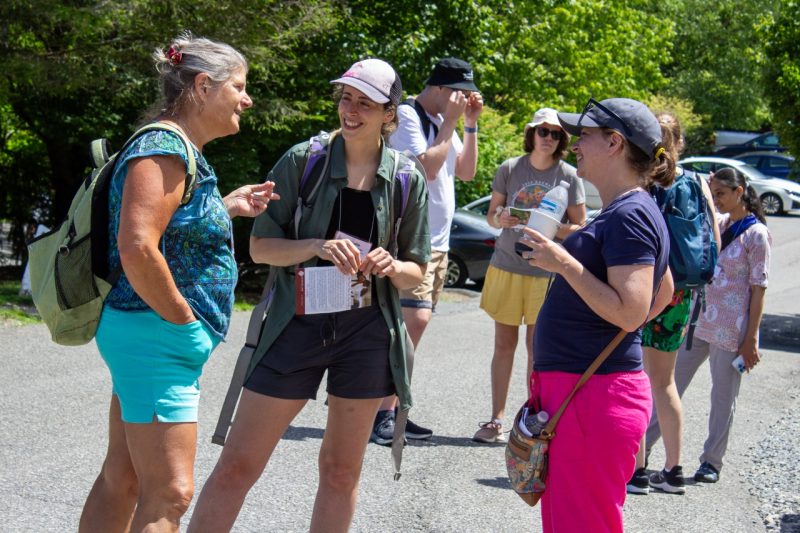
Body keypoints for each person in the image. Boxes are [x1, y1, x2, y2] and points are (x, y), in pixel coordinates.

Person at [188, 59, 430, 533]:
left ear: (389, 114)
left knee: (341, 472)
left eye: (366, 102)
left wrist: (391, 265)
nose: (351, 109)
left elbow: (415, 272)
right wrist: (316, 246)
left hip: (366, 333)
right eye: (346, 98)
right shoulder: (305, 160)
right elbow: (260, 247)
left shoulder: (407, 179)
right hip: (294, 325)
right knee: (238, 465)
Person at [79, 33, 278, 532]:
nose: (247, 99)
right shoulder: (164, 146)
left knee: (123, 477)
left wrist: (226, 206)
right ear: (204, 86)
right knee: (170, 494)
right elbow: (138, 246)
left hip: (150, 334)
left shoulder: (174, 147)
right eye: (239, 86)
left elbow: (168, 228)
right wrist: (183, 322)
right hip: (157, 336)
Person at [518, 98, 674, 532]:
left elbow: (632, 310)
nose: (574, 143)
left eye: (584, 134)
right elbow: (665, 289)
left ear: (614, 143)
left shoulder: (629, 214)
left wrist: (563, 262)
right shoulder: (630, 209)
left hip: (594, 397)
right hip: (588, 392)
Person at [371, 57, 483, 444]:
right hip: (413, 240)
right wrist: (451, 122)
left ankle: (393, 408)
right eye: (459, 93)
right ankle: (379, 413)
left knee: (414, 327)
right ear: (439, 89)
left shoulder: (439, 124)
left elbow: (465, 172)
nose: (463, 99)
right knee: (410, 324)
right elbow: (425, 170)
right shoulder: (408, 115)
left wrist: (469, 125)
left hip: (439, 242)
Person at [645, 166, 770, 485]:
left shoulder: (757, 234)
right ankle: (642, 449)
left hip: (732, 328)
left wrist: (751, 337)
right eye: (712, 195)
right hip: (698, 320)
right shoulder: (721, 223)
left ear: (740, 192)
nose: (716, 201)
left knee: (722, 396)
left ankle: (711, 461)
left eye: (722, 195)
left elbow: (759, 288)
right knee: (667, 385)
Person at [472, 108, 586, 443]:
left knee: (538, 350)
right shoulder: (510, 168)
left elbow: (580, 227)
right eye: (543, 132)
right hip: (507, 264)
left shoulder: (568, 175)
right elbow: (492, 216)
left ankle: (533, 420)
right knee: (503, 345)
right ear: (531, 133)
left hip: (544, 272)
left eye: (555, 133)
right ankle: (496, 419)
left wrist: (553, 228)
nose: (548, 138)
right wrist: (503, 218)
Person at [626, 112, 722, 495]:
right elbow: (713, 236)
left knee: (636, 378)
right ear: (680, 143)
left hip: (648, 287)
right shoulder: (698, 183)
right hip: (683, 293)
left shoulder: (646, 183)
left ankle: (637, 471)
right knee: (665, 383)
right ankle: (675, 470)